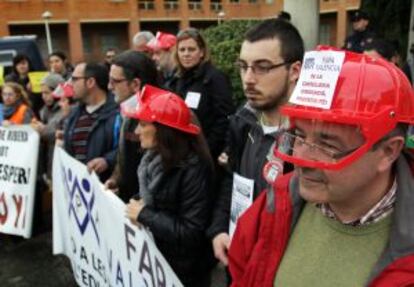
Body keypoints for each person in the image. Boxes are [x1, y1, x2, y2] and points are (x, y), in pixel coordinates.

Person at [229, 47, 414, 286]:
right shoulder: (276, 201)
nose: (301, 158)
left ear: (388, 151)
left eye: (327, 145)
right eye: (299, 135)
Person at [207, 18, 303, 268]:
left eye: (262, 67)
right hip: (240, 256)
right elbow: (232, 179)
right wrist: (219, 228)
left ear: (294, 71)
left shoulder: (308, 139)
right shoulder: (242, 121)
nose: (248, 78)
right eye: (243, 66)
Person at [125, 85, 215, 287]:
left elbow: (191, 232)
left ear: (163, 131)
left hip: (185, 272)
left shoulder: (193, 169)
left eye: (142, 124)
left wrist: (144, 214)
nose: (137, 131)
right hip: (160, 262)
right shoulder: (152, 161)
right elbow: (159, 200)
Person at [170, 27, 235, 160]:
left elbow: (224, 120)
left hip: (205, 155)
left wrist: (205, 150)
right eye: (182, 50)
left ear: (202, 52)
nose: (186, 54)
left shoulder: (215, 78)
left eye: (191, 49)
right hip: (182, 152)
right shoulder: (176, 79)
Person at [104, 50, 159, 202]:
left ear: (135, 84)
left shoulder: (162, 116)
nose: (109, 86)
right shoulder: (128, 109)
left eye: (115, 81)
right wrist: (116, 179)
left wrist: (142, 206)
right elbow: (125, 156)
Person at [63, 62, 119, 182]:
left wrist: (107, 160)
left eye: (74, 79)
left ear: (90, 82)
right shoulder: (74, 115)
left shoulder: (118, 114)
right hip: (80, 191)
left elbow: (129, 149)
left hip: (107, 190)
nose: (69, 84)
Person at [32, 73, 66, 179]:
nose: (43, 97)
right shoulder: (44, 111)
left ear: (57, 91)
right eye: (42, 93)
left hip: (61, 167)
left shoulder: (67, 110)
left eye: (47, 92)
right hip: (48, 164)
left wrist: (42, 130)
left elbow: (60, 134)